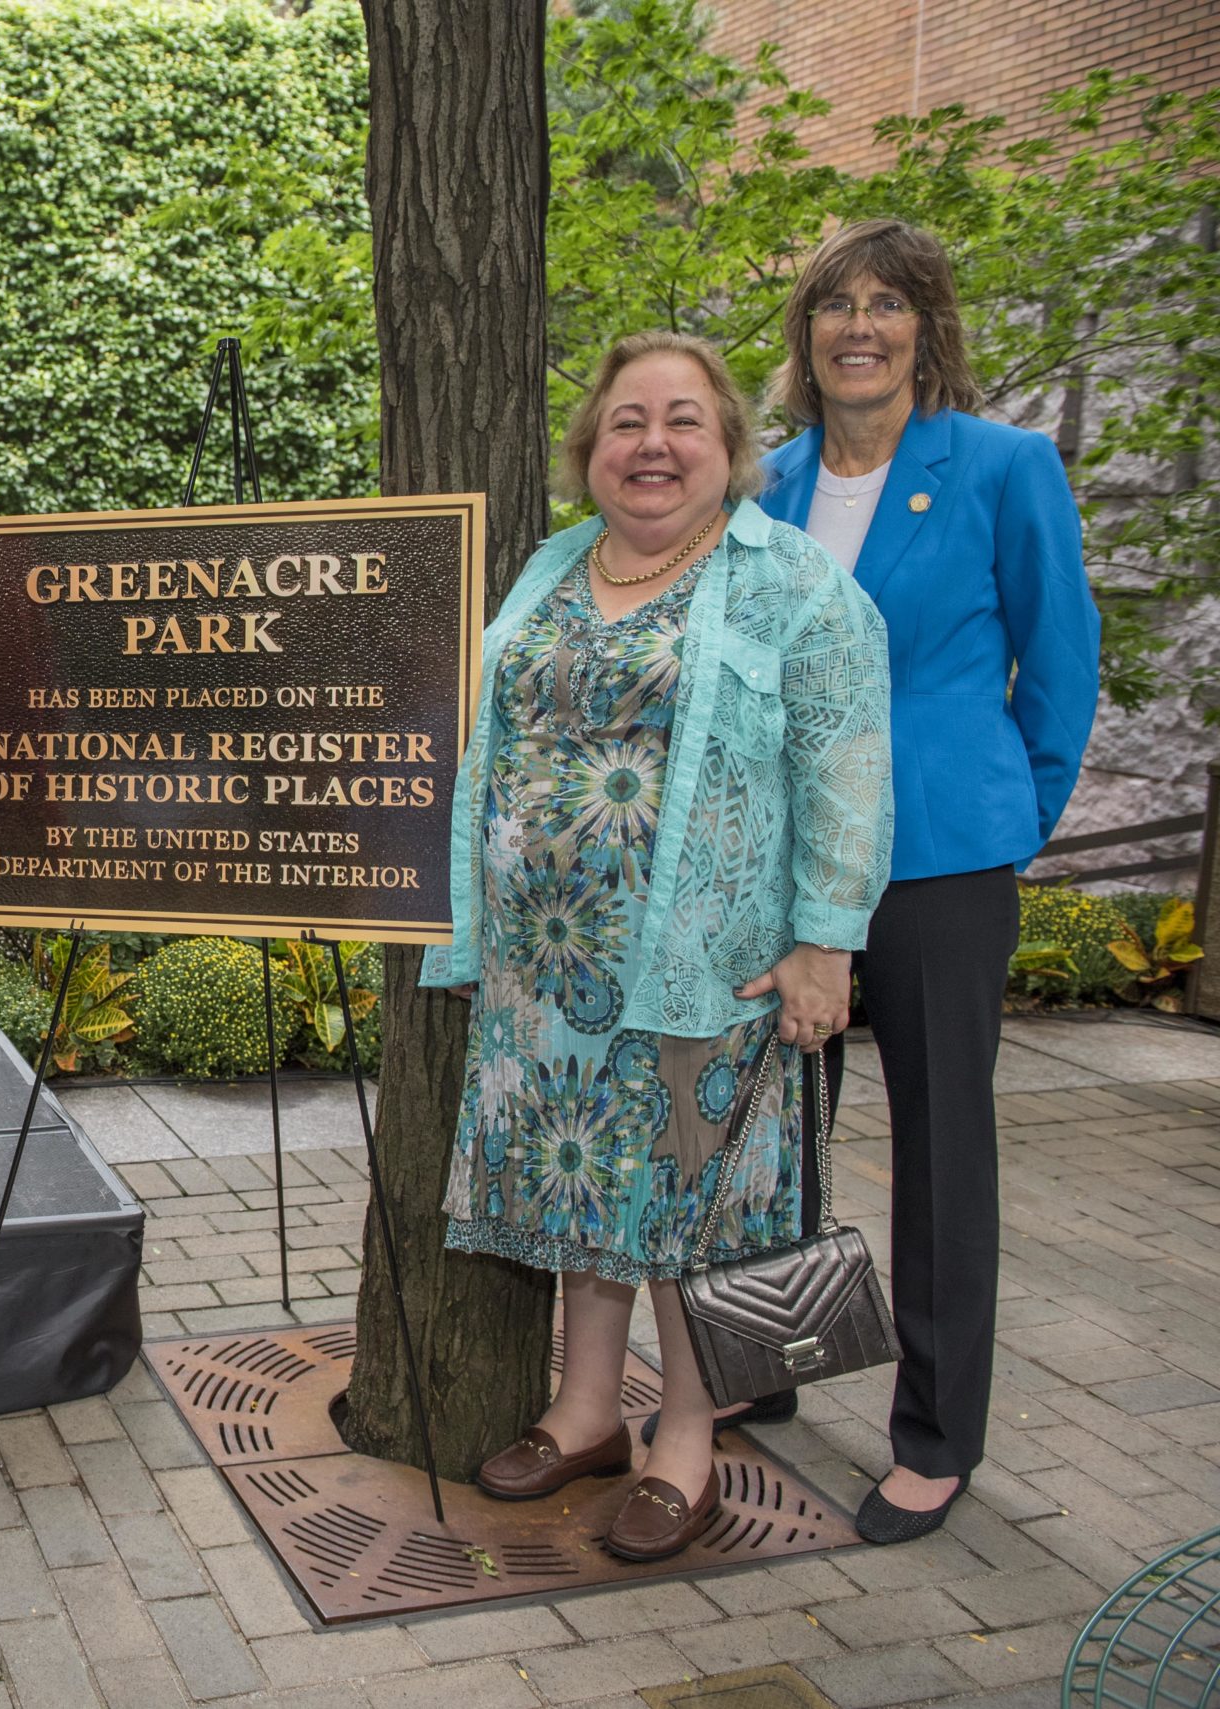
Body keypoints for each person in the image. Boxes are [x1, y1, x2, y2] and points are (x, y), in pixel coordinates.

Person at [423, 331, 892, 1564]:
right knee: (582, 1188)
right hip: (544, 967)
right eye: (626, 421)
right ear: (591, 453)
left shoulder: (795, 586)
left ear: (730, 450)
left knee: (687, 1205)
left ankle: (684, 1437)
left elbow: (846, 771)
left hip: (705, 967)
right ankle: (585, 1412)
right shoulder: (549, 566)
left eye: (685, 420)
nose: (652, 444)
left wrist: (824, 945)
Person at [759, 219, 1099, 1544]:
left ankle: (936, 1432)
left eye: (887, 303)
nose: (859, 324)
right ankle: (760, 1362)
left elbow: (1059, 665)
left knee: (941, 1154)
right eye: (836, 302)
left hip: (942, 866)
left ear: (923, 330)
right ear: (808, 334)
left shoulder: (1004, 467)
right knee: (770, 1140)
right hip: (787, 872)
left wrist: (1010, 820)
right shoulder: (768, 483)